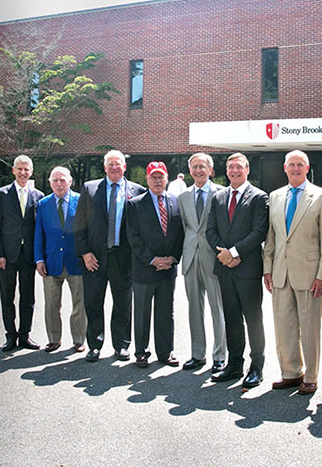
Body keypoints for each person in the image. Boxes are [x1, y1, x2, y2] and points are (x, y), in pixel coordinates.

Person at [263, 150, 322, 395]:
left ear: (307, 168)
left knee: (309, 328)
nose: (295, 169)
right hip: (280, 273)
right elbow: (271, 238)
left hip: (310, 274)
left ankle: (311, 376)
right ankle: (291, 373)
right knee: (284, 327)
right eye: (291, 165)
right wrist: (268, 269)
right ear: (284, 168)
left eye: (300, 165)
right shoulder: (275, 197)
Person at [74, 150, 146, 362]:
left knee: (123, 304)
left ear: (124, 167)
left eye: (118, 164)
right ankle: (94, 345)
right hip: (95, 258)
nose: (115, 168)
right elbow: (79, 224)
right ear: (104, 167)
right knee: (93, 302)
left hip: (122, 258)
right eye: (111, 164)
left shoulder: (137, 190)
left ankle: (122, 346)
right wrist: (85, 252)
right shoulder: (90, 188)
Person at [206, 153, 269, 388]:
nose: (234, 171)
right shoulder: (219, 196)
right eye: (230, 167)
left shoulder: (259, 197)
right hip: (224, 269)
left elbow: (259, 232)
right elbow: (210, 230)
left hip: (248, 268)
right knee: (231, 319)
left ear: (247, 169)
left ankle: (257, 367)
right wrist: (222, 253)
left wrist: (233, 252)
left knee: (253, 319)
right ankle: (234, 365)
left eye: (239, 167)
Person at [127, 161, 184, 368]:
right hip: (144, 269)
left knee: (165, 312)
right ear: (147, 179)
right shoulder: (134, 204)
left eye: (161, 177)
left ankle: (165, 352)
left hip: (168, 269)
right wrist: (152, 260)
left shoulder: (176, 202)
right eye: (154, 177)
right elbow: (133, 238)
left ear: (167, 178)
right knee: (142, 312)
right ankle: (141, 352)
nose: (158, 181)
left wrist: (173, 258)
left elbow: (180, 234)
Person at [0, 155, 44, 351]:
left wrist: (40, 256)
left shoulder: (38, 196)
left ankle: (24, 336)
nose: (23, 172)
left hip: (28, 255)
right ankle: (10, 336)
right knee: (7, 297)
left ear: (31, 172)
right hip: (7, 255)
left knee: (28, 298)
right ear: (13, 170)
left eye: (26, 169)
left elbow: (40, 228)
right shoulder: (1, 194)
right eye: (19, 169)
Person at [179, 153, 227, 372]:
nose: (198, 170)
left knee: (217, 307)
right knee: (194, 308)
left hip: (213, 257)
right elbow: (185, 228)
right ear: (190, 171)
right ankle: (197, 354)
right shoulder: (183, 196)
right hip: (190, 257)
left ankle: (219, 355)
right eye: (195, 167)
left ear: (210, 169)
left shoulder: (221, 193)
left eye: (202, 167)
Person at [34, 166, 87, 353]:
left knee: (80, 303)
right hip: (51, 262)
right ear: (50, 183)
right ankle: (54, 339)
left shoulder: (81, 201)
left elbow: (87, 232)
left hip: (76, 261)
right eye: (55, 180)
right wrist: (39, 259)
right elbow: (38, 235)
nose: (59, 184)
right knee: (51, 304)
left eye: (62, 180)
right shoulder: (42, 204)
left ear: (70, 181)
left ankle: (79, 339)